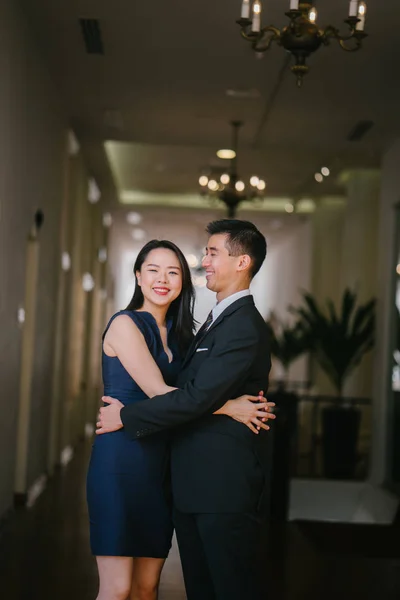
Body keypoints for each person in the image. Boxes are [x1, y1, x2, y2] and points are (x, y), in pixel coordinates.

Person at [87, 238, 274, 600]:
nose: (162, 279)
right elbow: (159, 390)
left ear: (182, 283)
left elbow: (196, 390)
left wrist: (218, 400)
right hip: (121, 460)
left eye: (173, 272)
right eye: (153, 270)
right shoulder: (126, 324)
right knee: (118, 586)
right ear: (138, 277)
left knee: (146, 587)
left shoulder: (183, 334)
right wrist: (229, 406)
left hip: (163, 465)